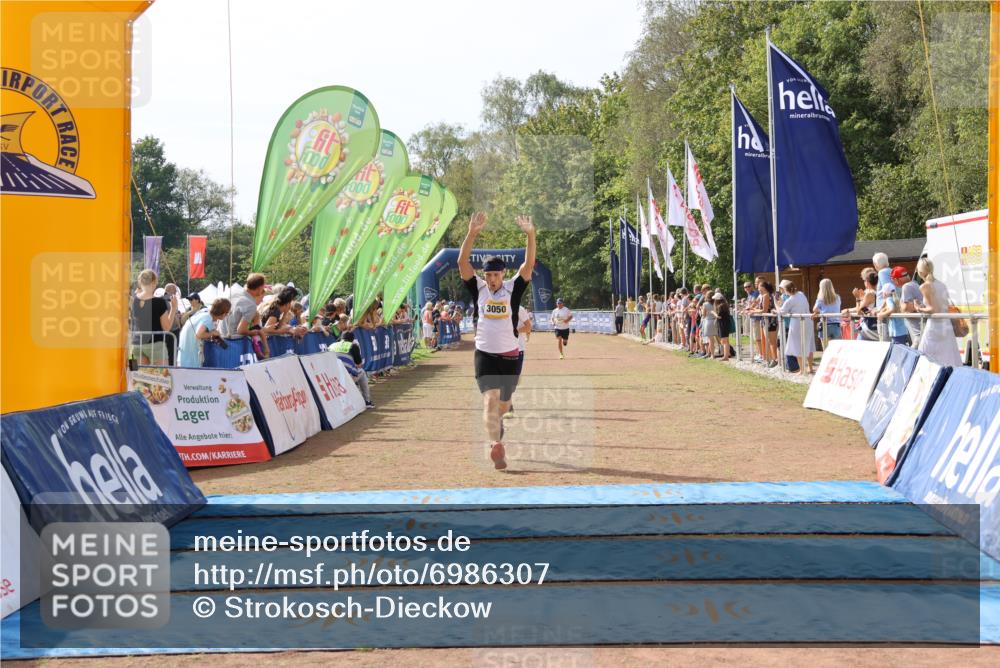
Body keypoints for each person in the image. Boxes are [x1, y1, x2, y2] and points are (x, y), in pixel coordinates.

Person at [460, 211, 536, 471]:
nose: (492, 279)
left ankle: (498, 426)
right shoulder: (478, 288)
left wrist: (530, 234)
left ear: (503, 274)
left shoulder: (513, 289)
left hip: (510, 356)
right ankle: (495, 447)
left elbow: (528, 264)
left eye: (496, 275)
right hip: (484, 353)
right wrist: (472, 233)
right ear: (485, 275)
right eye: (488, 275)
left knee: (503, 405)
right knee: (489, 400)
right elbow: (462, 264)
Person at [915, 257, 962, 367]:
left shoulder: (925, 286)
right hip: (946, 325)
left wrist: (918, 308)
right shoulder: (941, 284)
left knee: (926, 358)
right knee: (949, 359)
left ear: (921, 272)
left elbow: (932, 309)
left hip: (934, 326)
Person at [129, 269, 177, 365]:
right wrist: (173, 308)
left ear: (140, 282)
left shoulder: (133, 301)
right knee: (161, 378)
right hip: (156, 345)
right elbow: (166, 328)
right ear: (154, 282)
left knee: (138, 377)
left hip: (136, 344)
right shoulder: (159, 302)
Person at [222, 272, 270, 359]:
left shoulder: (234, 293)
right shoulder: (251, 304)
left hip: (222, 341)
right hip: (235, 344)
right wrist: (252, 332)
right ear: (259, 288)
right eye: (263, 287)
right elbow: (241, 330)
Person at [178, 298, 231, 368]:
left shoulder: (204, 312)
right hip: (191, 358)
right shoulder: (208, 318)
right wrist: (212, 333)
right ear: (223, 313)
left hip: (184, 354)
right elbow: (198, 335)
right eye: (227, 313)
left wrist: (210, 334)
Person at [779, 280, 815, 374]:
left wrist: (776, 304)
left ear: (786, 290)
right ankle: (810, 368)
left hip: (797, 324)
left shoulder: (790, 300)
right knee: (809, 345)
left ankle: (802, 370)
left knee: (797, 346)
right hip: (808, 321)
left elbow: (781, 311)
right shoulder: (801, 294)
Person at [503, 305, 533, 419]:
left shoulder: (519, 309)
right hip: (502, 349)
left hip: (518, 349)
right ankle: (508, 407)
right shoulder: (498, 306)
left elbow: (528, 327)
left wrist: (514, 330)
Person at [332, 331, 375, 408]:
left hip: (331, 378)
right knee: (362, 372)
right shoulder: (353, 346)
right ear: (352, 340)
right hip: (345, 377)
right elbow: (359, 364)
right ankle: (367, 401)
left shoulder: (332, 345)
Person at [893, 266, 924, 345]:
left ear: (897, 279)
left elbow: (907, 308)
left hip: (919, 333)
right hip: (920, 330)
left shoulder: (906, 286)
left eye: (893, 280)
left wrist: (900, 305)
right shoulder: (914, 283)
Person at [812, 278, 842, 346]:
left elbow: (814, 309)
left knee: (826, 351)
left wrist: (821, 312)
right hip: (836, 325)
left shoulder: (820, 299)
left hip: (825, 325)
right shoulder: (837, 297)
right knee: (836, 351)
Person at [715, 292, 732, 361]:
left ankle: (726, 356)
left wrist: (713, 313)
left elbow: (719, 316)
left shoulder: (721, 306)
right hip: (724, 324)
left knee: (724, 341)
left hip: (723, 324)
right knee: (725, 341)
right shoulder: (724, 305)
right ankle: (727, 354)